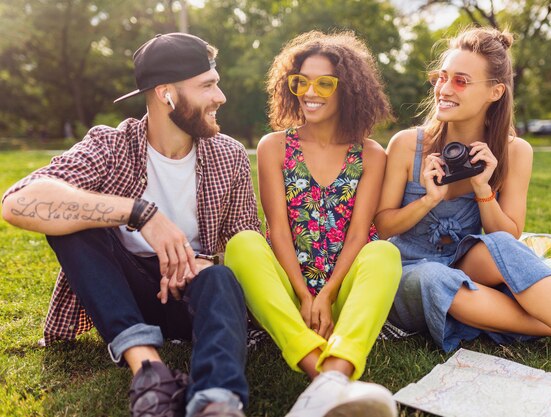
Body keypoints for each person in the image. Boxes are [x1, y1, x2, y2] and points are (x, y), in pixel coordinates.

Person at [2, 33, 260, 417]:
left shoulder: (230, 155)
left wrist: (208, 263)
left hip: (197, 294)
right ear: (166, 94)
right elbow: (17, 202)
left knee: (221, 279)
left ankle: (218, 398)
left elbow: (247, 242)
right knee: (78, 224)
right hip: (126, 296)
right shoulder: (110, 145)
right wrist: (141, 214)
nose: (220, 96)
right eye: (208, 85)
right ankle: (150, 370)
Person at [375, 27, 551, 375]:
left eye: (461, 81)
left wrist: (483, 188)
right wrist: (429, 199)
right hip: (409, 268)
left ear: (495, 91)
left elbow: (506, 236)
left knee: (502, 249)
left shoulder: (514, 151)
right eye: (442, 77)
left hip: (464, 261)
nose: (444, 89)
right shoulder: (407, 144)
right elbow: (384, 225)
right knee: (435, 277)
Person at [224, 31, 402, 417]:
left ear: (349, 90)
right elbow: (278, 232)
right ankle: (324, 377)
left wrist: (327, 295)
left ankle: (334, 373)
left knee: (384, 252)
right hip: (291, 297)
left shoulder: (372, 154)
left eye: (324, 83)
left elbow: (358, 235)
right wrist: (305, 295)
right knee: (242, 244)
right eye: (300, 81)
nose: (310, 91)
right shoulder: (274, 146)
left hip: (344, 296)